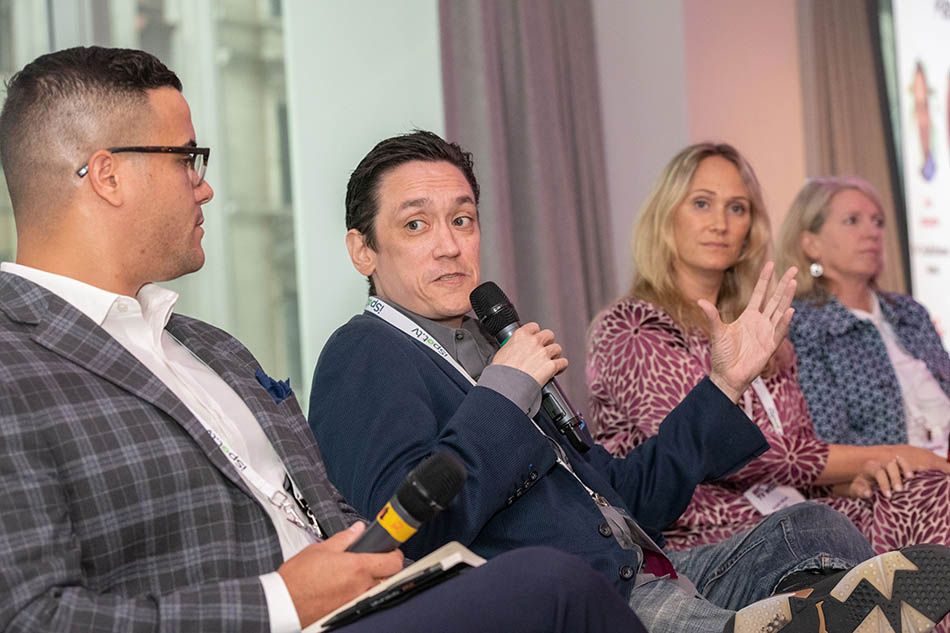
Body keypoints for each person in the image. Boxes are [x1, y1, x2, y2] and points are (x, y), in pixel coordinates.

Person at [0, 46, 653, 633]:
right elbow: (30, 615)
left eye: (462, 220)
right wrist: (280, 600)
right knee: (552, 582)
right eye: (187, 159)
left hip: (379, 597)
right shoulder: (14, 363)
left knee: (559, 575)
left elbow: (349, 516)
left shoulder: (214, 349)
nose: (206, 185)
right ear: (109, 176)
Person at [309, 130, 950, 633]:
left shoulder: (489, 345)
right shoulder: (364, 354)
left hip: (653, 566)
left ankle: (785, 621)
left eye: (464, 219)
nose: (450, 245)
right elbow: (405, 538)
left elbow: (625, 496)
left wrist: (723, 384)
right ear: (363, 251)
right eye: (416, 224)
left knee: (812, 528)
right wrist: (504, 395)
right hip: (584, 598)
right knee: (704, 620)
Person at [587, 143, 950, 561]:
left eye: (737, 208)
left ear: (749, 231)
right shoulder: (633, 326)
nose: (720, 223)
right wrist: (897, 454)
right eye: (702, 204)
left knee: (928, 494)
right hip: (708, 533)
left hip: (800, 512)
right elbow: (719, 451)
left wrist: (847, 482)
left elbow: (796, 445)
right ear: (667, 217)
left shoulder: (761, 324)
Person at [777, 176, 950, 456]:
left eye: (878, 222)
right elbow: (827, 441)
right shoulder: (801, 326)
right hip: (889, 485)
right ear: (811, 244)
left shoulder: (909, 313)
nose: (872, 233)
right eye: (852, 221)